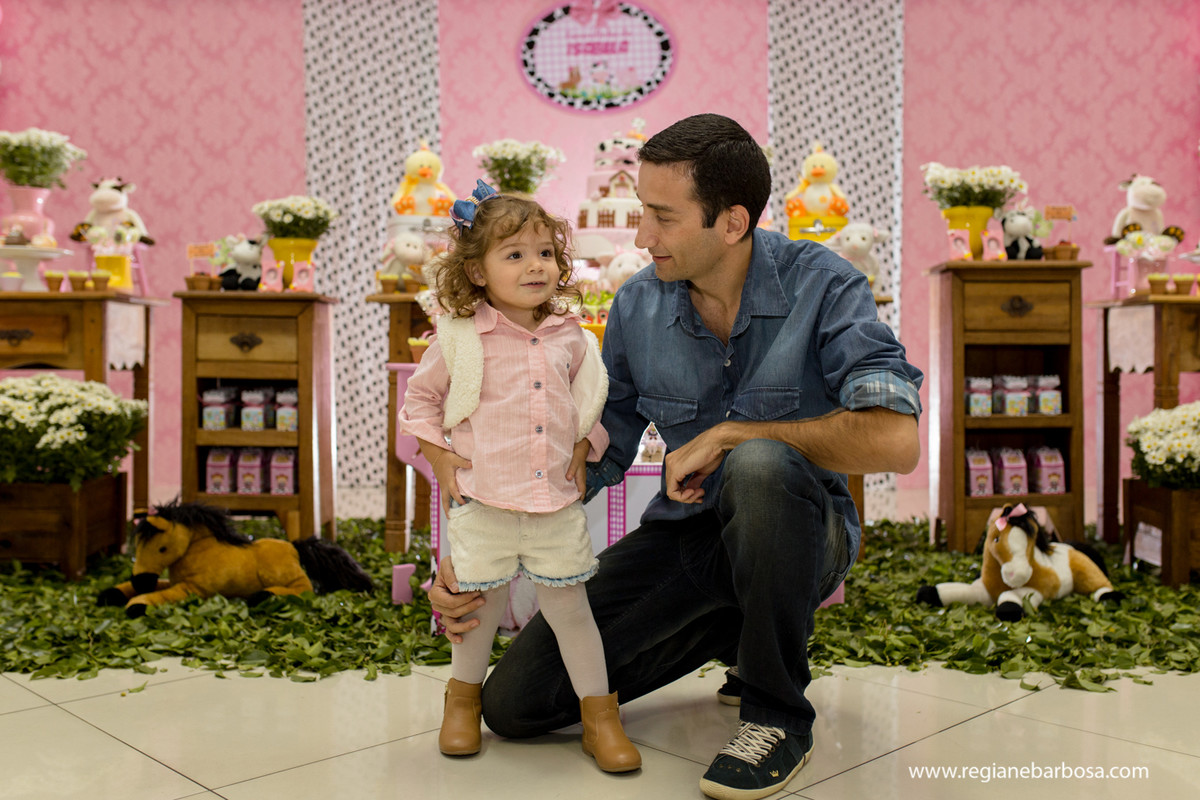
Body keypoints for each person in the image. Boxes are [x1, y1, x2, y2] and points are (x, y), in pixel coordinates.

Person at [429, 114, 923, 799]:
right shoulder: (636, 307)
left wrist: (737, 435)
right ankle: (743, 627)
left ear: (732, 222)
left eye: (662, 217)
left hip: (808, 535)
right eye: (640, 212)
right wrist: (479, 537)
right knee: (517, 705)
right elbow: (589, 452)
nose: (641, 236)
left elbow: (897, 440)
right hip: (686, 535)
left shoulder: (825, 286)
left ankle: (777, 715)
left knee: (759, 465)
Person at [399, 180, 641, 773]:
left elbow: (595, 401)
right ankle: (461, 705)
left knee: (571, 612)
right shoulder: (458, 337)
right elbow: (421, 400)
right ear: (477, 272)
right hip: (483, 501)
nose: (535, 265)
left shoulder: (572, 338)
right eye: (514, 254)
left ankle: (598, 715)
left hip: (554, 505)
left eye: (545, 253)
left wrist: (588, 444)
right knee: (477, 608)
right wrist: (437, 455)